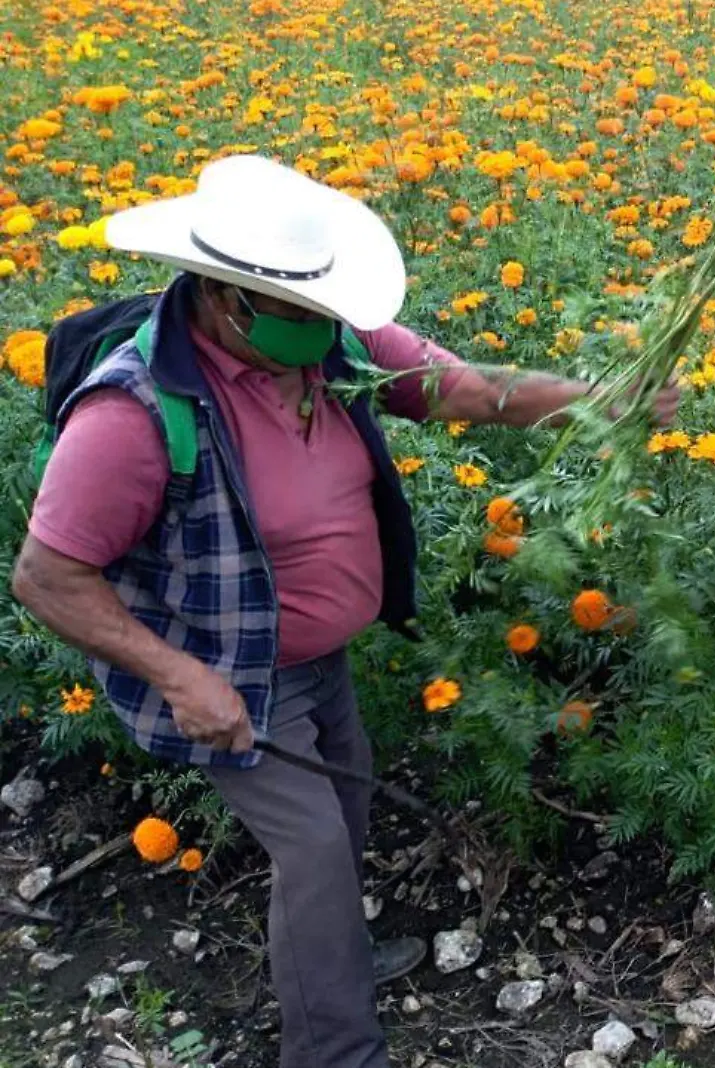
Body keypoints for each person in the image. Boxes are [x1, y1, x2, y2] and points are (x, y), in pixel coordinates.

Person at [8, 155, 675, 1068]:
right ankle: (336, 1050)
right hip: (227, 671)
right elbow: (47, 577)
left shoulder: (336, 349)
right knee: (317, 848)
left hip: (319, 659)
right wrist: (180, 677)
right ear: (220, 296)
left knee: (345, 815)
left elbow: (471, 390)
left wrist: (604, 404)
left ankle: (334, 969)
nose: (322, 330)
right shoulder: (132, 415)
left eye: (326, 308)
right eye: (298, 313)